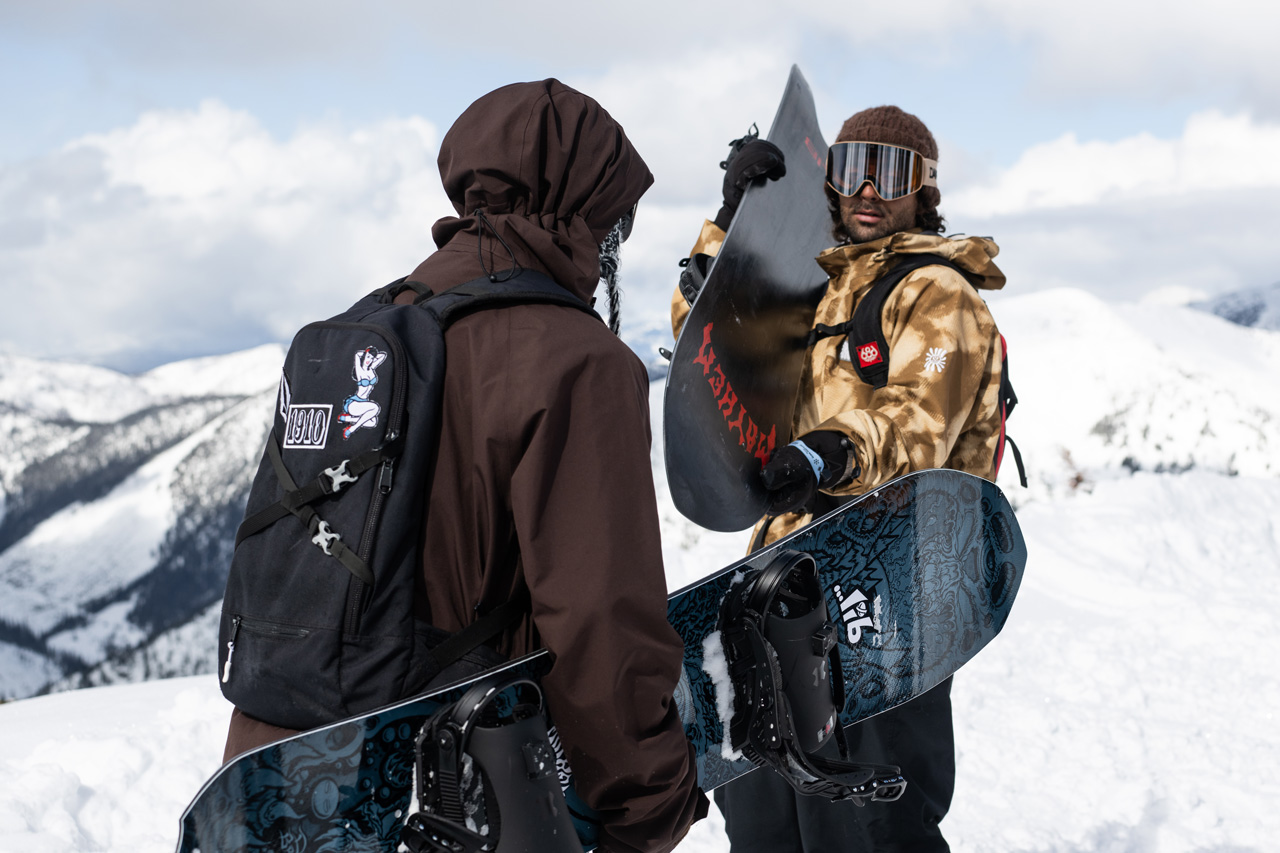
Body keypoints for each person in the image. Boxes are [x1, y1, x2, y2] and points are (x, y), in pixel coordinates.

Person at [225, 79, 707, 853]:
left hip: (280, 775)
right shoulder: (578, 360)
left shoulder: (376, 321)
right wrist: (650, 800)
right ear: (587, 207)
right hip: (455, 789)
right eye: (620, 213)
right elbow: (599, 625)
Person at [671, 106, 1008, 851]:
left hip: (891, 592)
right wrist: (731, 226)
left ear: (924, 189)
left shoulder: (938, 294)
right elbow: (709, 348)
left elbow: (920, 421)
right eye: (851, 164)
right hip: (785, 587)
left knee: (865, 821)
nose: (866, 188)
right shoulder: (818, 285)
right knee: (761, 811)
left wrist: (827, 451)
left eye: (890, 171)